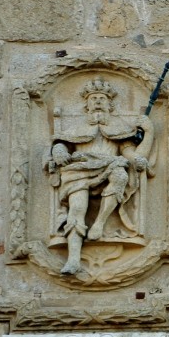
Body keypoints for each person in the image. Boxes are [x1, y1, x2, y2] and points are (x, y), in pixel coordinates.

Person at [45, 79, 154, 275]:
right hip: (79, 170)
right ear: (86, 105)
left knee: (121, 173)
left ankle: (100, 222)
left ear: (109, 104)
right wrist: (59, 151)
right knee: (77, 208)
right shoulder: (76, 128)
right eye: (93, 98)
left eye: (101, 99)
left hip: (109, 165)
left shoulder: (119, 127)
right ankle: (73, 259)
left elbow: (128, 152)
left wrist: (148, 134)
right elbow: (61, 144)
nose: (97, 101)